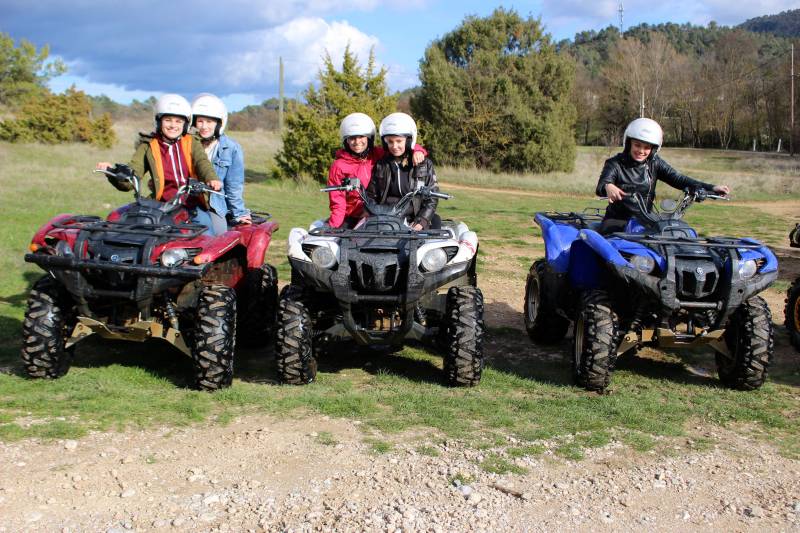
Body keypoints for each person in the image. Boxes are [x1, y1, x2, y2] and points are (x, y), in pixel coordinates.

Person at [97, 93, 222, 234]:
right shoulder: (149, 145)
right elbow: (132, 175)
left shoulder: (191, 142)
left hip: (190, 204)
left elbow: (202, 162)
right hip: (161, 206)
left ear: (186, 124)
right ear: (159, 121)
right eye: (168, 120)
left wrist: (211, 178)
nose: (173, 125)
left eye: (178, 121)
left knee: (206, 235)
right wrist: (113, 173)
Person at [596, 117, 730, 233]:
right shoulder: (615, 163)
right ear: (629, 143)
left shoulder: (654, 163)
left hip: (646, 218)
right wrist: (608, 186)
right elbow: (602, 185)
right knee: (608, 246)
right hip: (617, 218)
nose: (641, 151)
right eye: (637, 145)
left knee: (668, 238)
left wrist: (711, 188)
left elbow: (678, 179)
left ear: (653, 149)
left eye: (647, 147)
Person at [327, 112, 426, 229]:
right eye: (352, 138)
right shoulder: (338, 166)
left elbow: (399, 148)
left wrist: (418, 150)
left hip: (378, 212)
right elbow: (337, 201)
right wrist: (333, 227)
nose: (357, 142)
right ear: (346, 141)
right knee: (341, 241)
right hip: (353, 214)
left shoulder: (378, 154)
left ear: (369, 138)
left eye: (361, 137)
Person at [367, 112, 440, 230]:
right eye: (390, 142)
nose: (394, 146)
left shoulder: (424, 164)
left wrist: (422, 221)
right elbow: (371, 195)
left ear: (408, 140)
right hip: (386, 219)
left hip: (415, 218)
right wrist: (373, 214)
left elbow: (432, 197)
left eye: (399, 141)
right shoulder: (381, 164)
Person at [192, 93, 251, 235]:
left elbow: (234, 185)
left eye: (209, 122)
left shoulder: (231, 148)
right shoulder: (187, 144)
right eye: (200, 121)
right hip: (186, 201)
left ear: (219, 123)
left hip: (213, 205)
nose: (204, 126)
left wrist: (239, 213)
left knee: (217, 235)